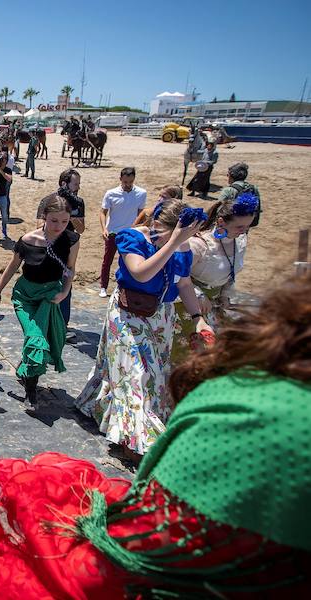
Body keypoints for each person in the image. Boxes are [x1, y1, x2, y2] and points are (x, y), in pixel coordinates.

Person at [0, 276, 311, 600]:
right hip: (133, 320)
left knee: (39, 498)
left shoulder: (255, 411)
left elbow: (145, 550)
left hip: (159, 324)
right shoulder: (256, 408)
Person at [76, 199, 213, 458]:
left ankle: (127, 421)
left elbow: (183, 284)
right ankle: (135, 440)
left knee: (153, 375)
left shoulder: (182, 246)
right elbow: (140, 273)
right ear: (157, 226)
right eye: (176, 234)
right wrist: (172, 243)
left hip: (161, 316)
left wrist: (198, 318)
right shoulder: (131, 238)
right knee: (135, 373)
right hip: (128, 315)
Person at [0, 196, 80, 404]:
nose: (59, 226)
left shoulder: (72, 240)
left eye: (64, 221)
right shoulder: (27, 240)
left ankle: (29, 378)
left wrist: (64, 293)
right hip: (25, 297)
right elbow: (13, 266)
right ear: (44, 217)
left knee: (39, 340)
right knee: (35, 339)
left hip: (49, 297)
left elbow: (70, 269)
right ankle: (31, 389)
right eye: (54, 221)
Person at [171, 192, 256, 363]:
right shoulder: (200, 245)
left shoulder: (239, 242)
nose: (244, 231)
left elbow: (231, 273)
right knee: (186, 356)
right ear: (221, 222)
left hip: (215, 306)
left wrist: (225, 294)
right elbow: (177, 276)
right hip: (188, 306)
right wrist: (199, 295)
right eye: (240, 227)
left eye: (248, 227)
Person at [36, 168, 86, 331]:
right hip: (48, 250)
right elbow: (38, 226)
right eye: (75, 184)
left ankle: (62, 325)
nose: (78, 187)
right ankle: (43, 321)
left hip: (68, 250)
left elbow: (81, 229)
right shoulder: (48, 201)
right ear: (64, 184)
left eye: (79, 184)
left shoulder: (78, 202)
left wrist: (70, 216)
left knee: (66, 285)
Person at [99, 167, 147, 298]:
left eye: (130, 182)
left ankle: (124, 286)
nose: (128, 185)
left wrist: (138, 228)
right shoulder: (111, 193)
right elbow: (103, 212)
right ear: (120, 179)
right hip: (113, 232)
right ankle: (103, 286)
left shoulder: (141, 193)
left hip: (129, 233)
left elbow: (141, 213)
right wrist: (104, 228)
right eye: (125, 182)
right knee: (107, 260)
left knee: (127, 262)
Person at [218, 162, 262, 227]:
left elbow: (218, 209)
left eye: (228, 175)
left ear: (231, 176)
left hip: (230, 224)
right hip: (246, 223)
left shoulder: (228, 190)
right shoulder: (253, 188)